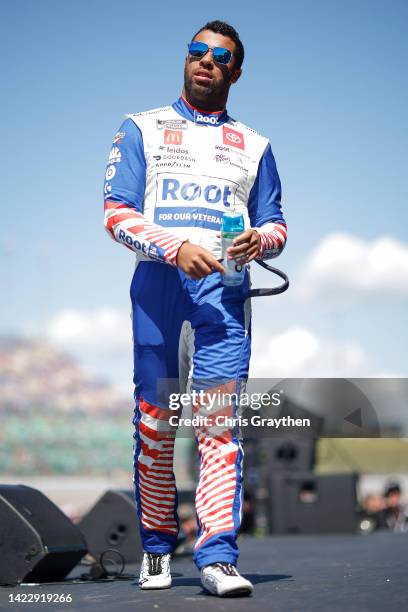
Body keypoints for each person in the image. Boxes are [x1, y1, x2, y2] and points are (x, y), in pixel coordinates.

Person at [103, 20, 287, 597]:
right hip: (159, 286)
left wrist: (263, 240)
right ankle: (157, 548)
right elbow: (115, 212)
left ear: (235, 70)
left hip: (226, 294)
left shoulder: (256, 145)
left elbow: (277, 223)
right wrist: (173, 247)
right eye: (198, 51)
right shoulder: (142, 127)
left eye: (221, 56)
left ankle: (218, 558)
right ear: (186, 60)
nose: (207, 61)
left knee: (217, 425)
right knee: (157, 424)